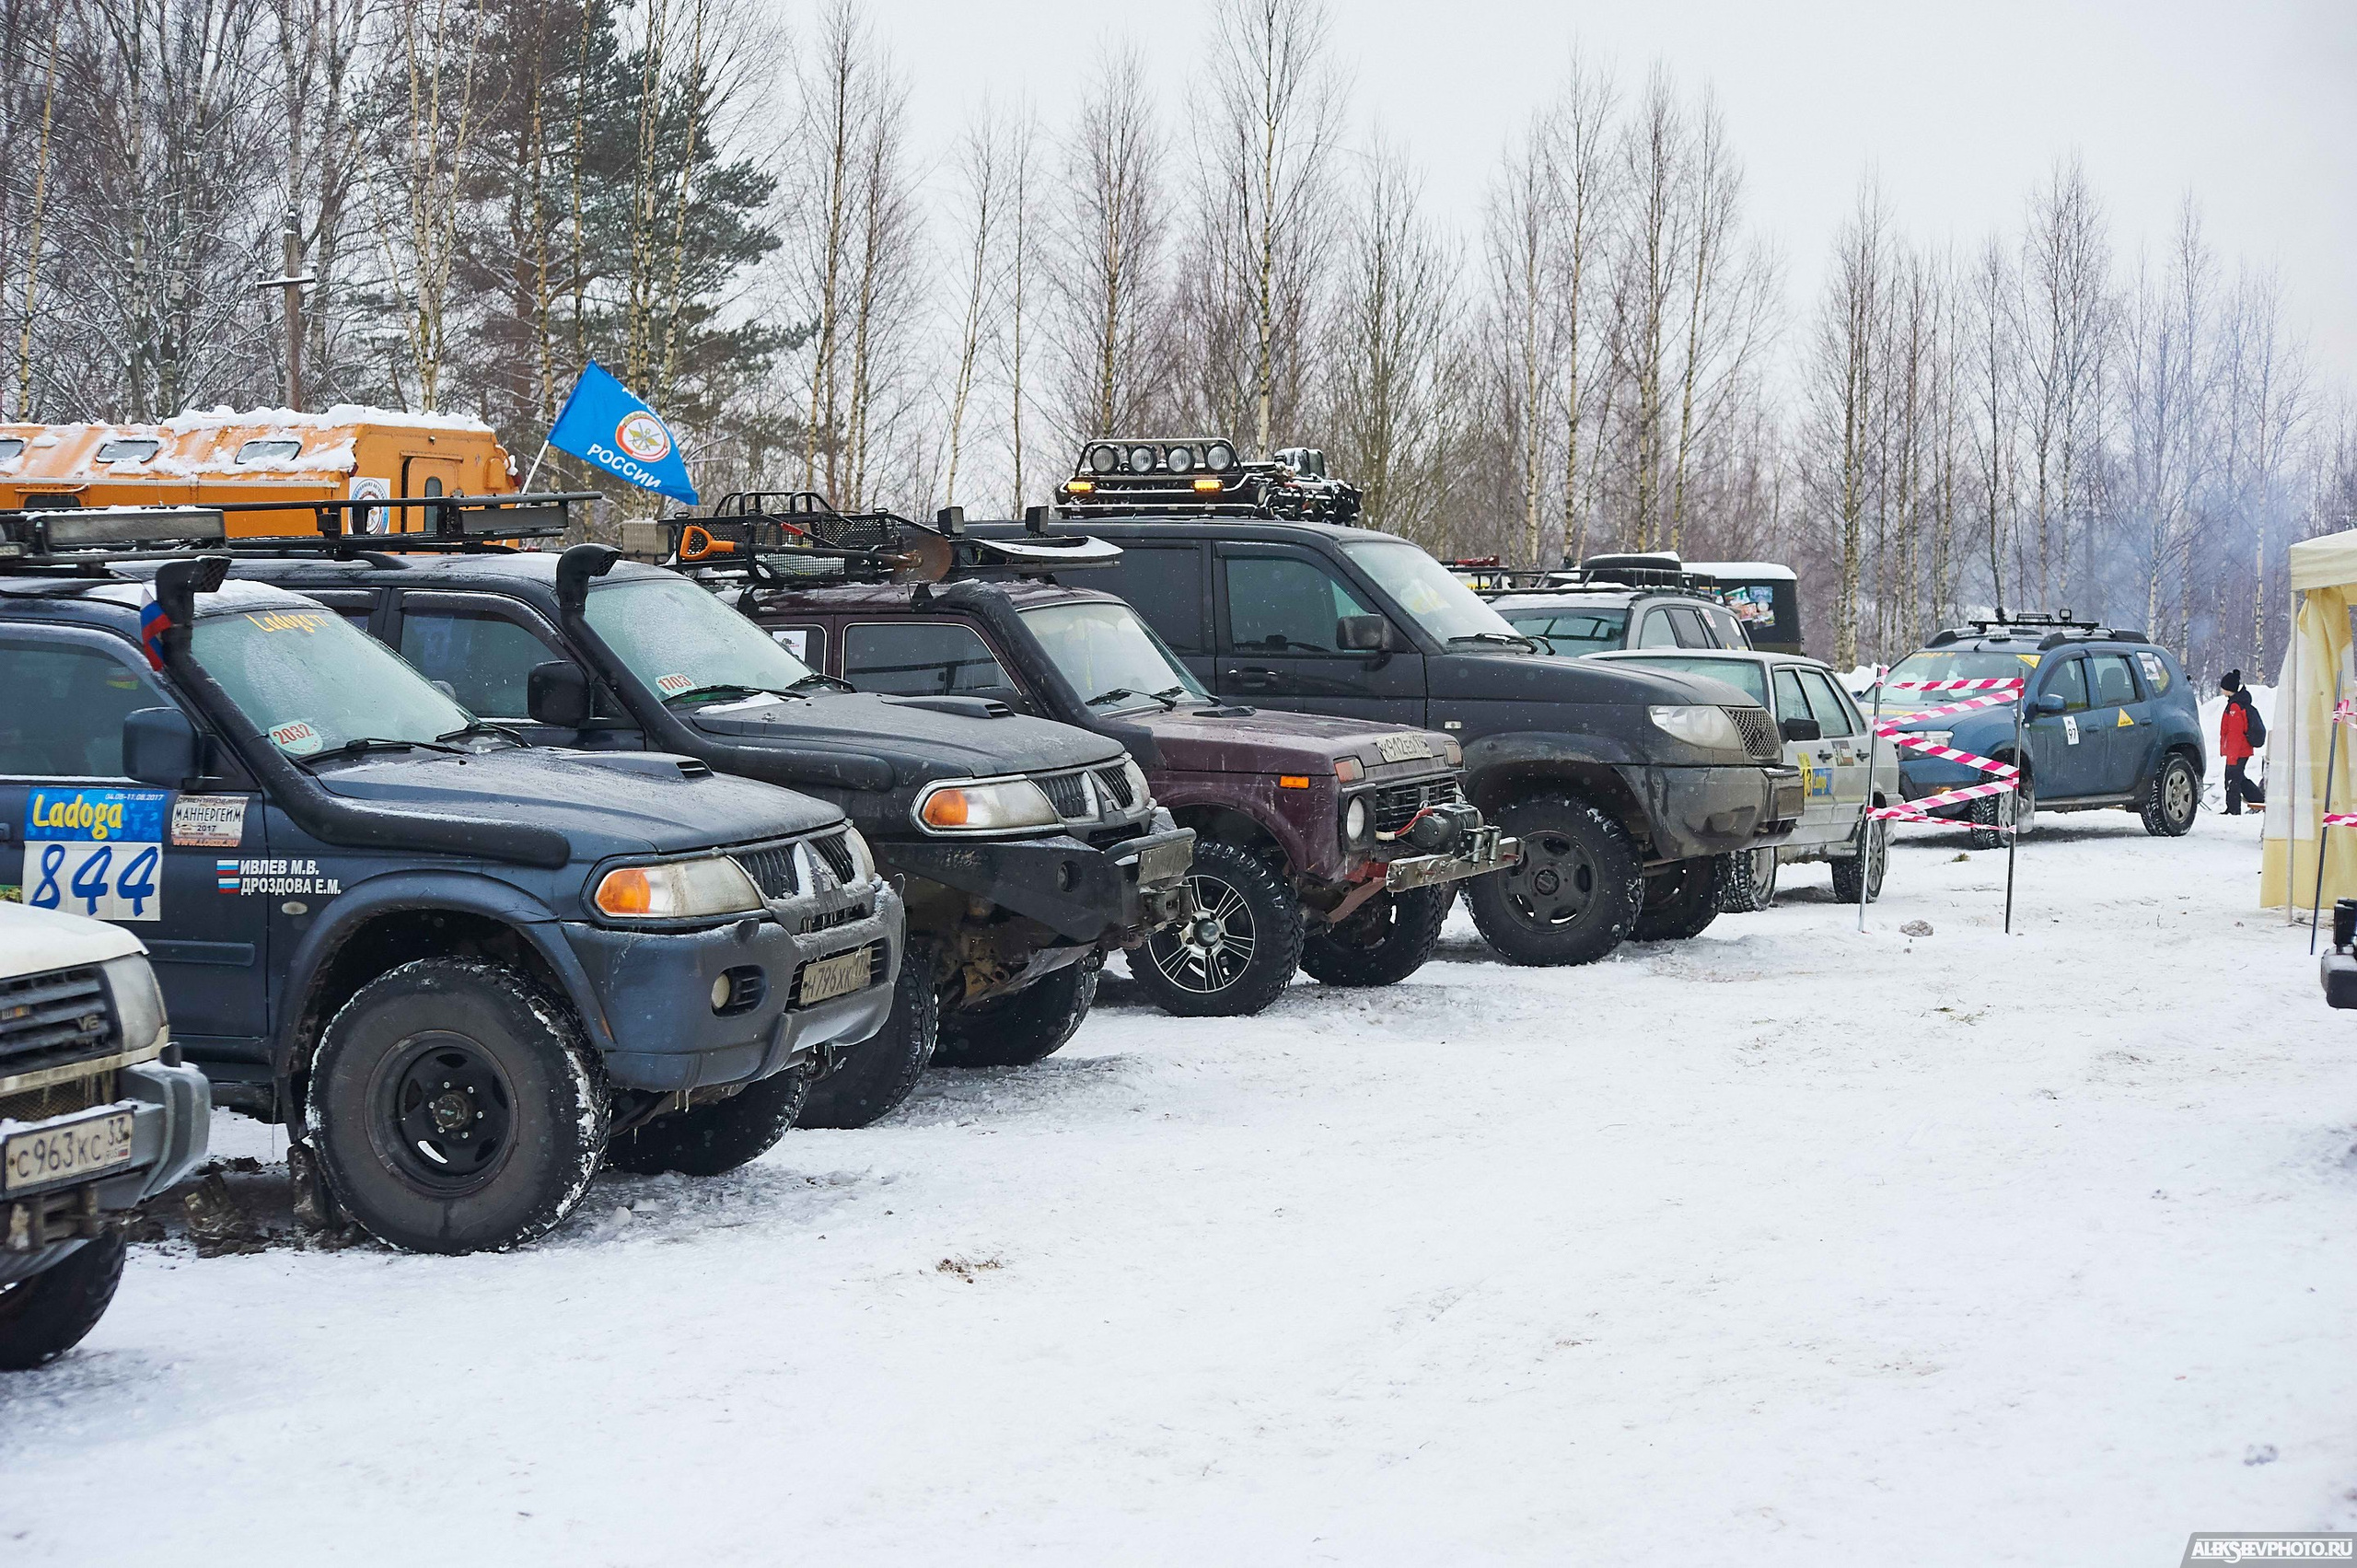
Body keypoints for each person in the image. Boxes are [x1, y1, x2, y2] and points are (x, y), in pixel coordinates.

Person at [2220, 669, 2266, 815]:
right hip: (2241, 750)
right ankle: (2258, 800)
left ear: (2229, 689)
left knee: (2232, 779)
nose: (2221, 690)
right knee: (2238, 777)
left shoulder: (2235, 707)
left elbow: (2235, 734)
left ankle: (2233, 809)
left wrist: (2231, 756)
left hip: (2238, 751)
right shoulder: (2236, 703)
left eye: (2223, 687)